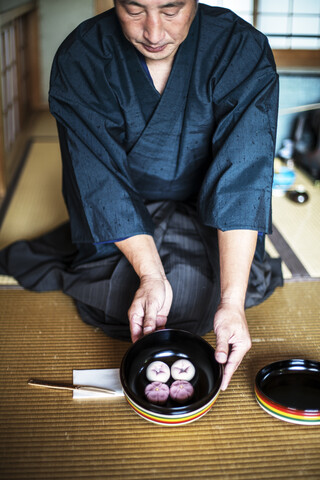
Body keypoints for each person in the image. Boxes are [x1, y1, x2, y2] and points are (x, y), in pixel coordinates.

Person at [0, 0, 283, 391]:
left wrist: (231, 303)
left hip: (206, 207)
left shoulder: (239, 48)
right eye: (134, 10)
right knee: (135, 303)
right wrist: (151, 274)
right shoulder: (82, 55)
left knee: (217, 299)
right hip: (121, 210)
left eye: (171, 10)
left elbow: (243, 176)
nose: (152, 32)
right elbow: (98, 181)